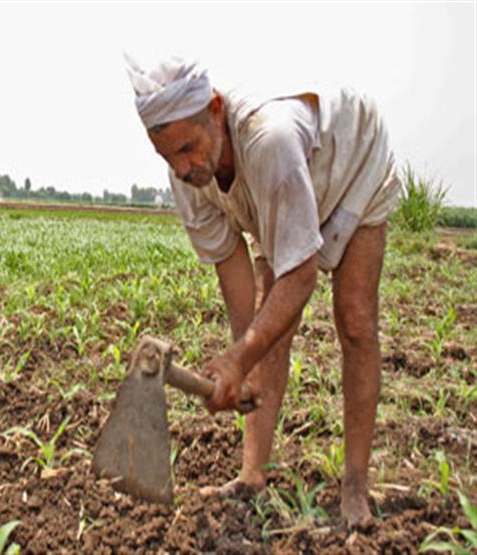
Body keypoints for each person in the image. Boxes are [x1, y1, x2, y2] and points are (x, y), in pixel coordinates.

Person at [126, 55, 401, 526]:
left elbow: (301, 276)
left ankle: (355, 485)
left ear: (215, 110)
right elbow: (239, 288)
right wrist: (244, 364)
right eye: (167, 156)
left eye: (189, 148)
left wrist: (237, 361)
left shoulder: (267, 140)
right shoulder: (188, 176)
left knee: (355, 318)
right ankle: (253, 475)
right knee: (266, 322)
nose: (183, 167)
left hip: (350, 161)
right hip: (287, 189)